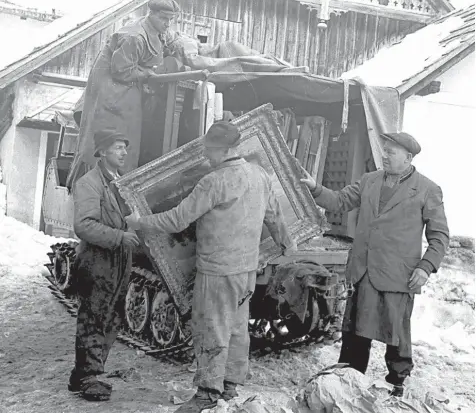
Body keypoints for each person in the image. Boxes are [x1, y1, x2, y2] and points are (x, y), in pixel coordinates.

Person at [126, 121, 297, 412]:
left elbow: (177, 220)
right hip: (245, 271)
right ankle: (229, 386)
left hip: (217, 270)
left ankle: (207, 392)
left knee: (212, 329)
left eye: (211, 151)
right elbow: (274, 217)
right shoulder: (260, 175)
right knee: (237, 328)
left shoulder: (214, 181)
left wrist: (139, 222)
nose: (207, 156)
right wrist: (286, 246)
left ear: (228, 149)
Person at [301, 132, 449, 397]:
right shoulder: (369, 180)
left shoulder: (428, 189)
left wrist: (425, 267)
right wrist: (315, 188)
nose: (385, 155)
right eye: (385, 150)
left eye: (391, 152)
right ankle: (349, 379)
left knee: (397, 333)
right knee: (355, 330)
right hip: (363, 270)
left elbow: (439, 236)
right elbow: (339, 201)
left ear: (408, 157)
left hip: (398, 275)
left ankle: (397, 383)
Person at [66, 0, 181, 189]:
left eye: (170, 19)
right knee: (112, 134)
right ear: (150, 14)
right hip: (110, 86)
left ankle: (118, 182)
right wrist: (146, 73)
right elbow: (121, 71)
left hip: (126, 82)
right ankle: (100, 186)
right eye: (163, 18)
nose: (167, 23)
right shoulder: (133, 37)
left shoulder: (157, 29)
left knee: (128, 135)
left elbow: (165, 44)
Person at [69, 128, 140, 401]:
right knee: (94, 317)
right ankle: (90, 377)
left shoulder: (119, 181)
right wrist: (120, 236)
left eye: (124, 147)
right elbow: (83, 225)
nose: (124, 152)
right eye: (118, 147)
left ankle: (82, 375)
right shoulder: (90, 183)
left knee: (111, 317)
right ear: (102, 152)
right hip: (98, 260)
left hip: (118, 259)